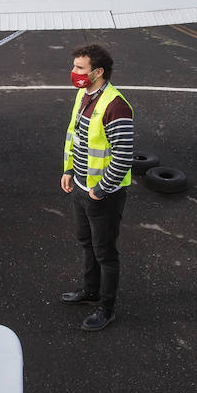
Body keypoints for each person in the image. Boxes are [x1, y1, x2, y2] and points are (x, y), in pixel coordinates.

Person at [60, 43, 134, 331]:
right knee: (86, 243)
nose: (74, 72)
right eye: (75, 66)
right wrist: (68, 169)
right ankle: (90, 292)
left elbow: (124, 156)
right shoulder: (84, 94)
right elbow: (74, 135)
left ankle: (107, 307)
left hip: (102, 195)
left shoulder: (116, 106)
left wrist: (101, 189)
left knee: (105, 253)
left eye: (80, 68)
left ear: (98, 71)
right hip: (80, 186)